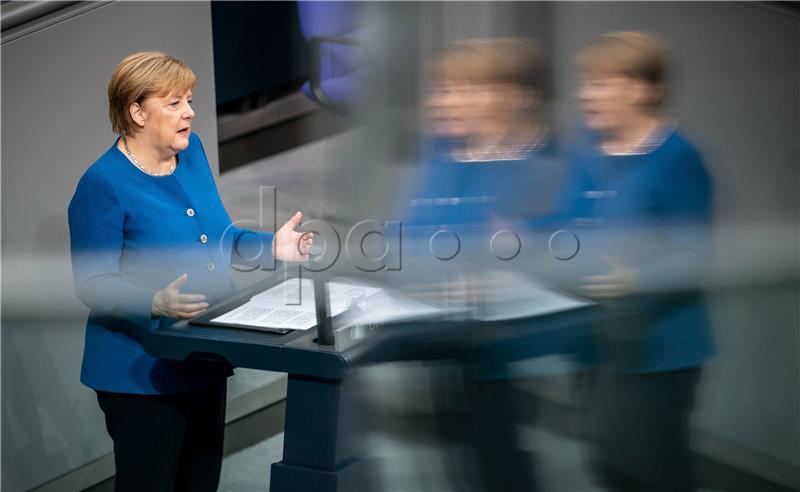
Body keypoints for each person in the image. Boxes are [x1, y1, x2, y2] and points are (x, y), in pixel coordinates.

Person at [68, 52, 312, 492]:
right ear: (137, 112)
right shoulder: (102, 185)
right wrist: (152, 302)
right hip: (142, 375)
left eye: (190, 99)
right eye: (175, 102)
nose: (190, 112)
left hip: (202, 355)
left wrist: (271, 247)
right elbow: (93, 283)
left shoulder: (192, 152)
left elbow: (218, 237)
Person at [556, 32, 714, 492]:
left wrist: (638, 278)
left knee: (652, 465)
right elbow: (568, 219)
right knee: (607, 462)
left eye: (601, 83)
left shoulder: (679, 158)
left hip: (661, 346)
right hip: (598, 336)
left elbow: (696, 254)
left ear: (645, 89)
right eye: (586, 82)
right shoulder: (589, 150)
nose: (586, 93)